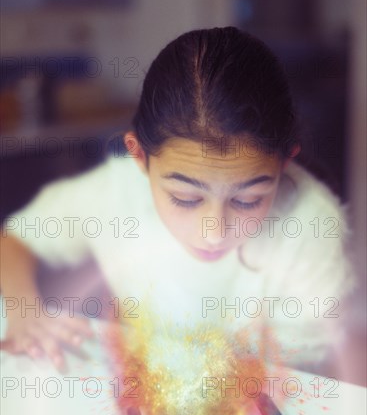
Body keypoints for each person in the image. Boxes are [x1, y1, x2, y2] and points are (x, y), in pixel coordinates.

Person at [0, 27, 356, 373]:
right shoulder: (116, 188)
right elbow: (14, 240)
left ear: (284, 163)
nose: (214, 233)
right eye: (186, 199)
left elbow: (295, 380)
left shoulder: (312, 227)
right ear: (139, 157)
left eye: (247, 200)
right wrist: (25, 309)